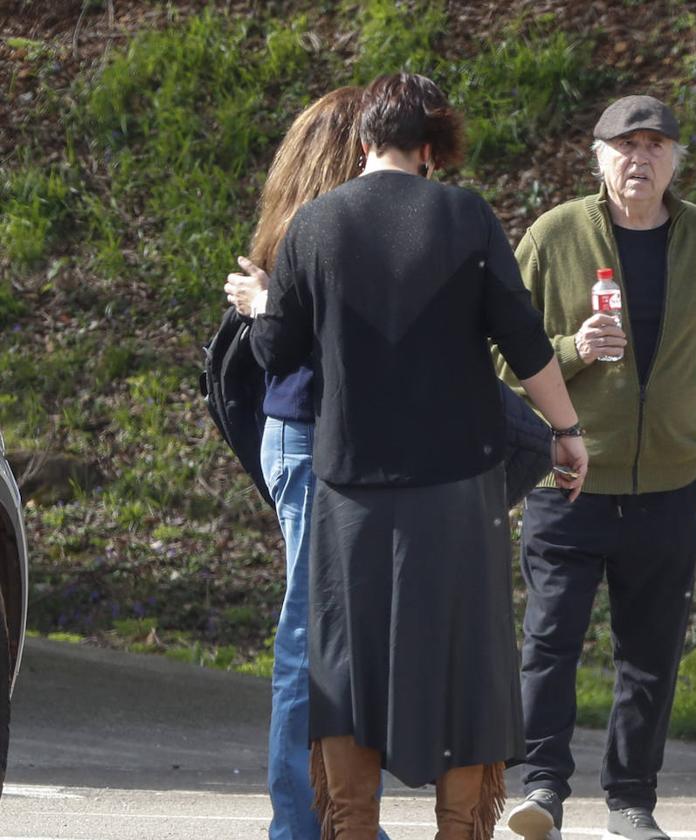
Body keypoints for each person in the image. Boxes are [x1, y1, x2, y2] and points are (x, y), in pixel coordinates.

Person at [249, 72, 588, 840]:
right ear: (431, 150)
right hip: (458, 484)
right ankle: (459, 828)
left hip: (348, 485)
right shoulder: (465, 216)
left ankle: (352, 828)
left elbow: (278, 354)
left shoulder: (313, 224)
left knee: (344, 664)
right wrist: (566, 430)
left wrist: (263, 303)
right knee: (467, 660)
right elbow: (523, 339)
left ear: (364, 139)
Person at [497, 95, 696, 840]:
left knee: (650, 655)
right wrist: (576, 347)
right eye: (625, 147)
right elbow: (497, 349)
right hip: (570, 482)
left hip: (668, 491)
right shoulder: (556, 235)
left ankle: (631, 802)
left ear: (676, 159)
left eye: (654, 146)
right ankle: (543, 790)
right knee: (549, 644)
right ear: (598, 157)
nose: (639, 160)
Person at [222, 86, 391, 840]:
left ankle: (336, 818)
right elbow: (330, 345)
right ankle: (303, 822)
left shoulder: (312, 226)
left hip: (316, 441)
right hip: (313, 442)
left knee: (335, 640)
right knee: (310, 640)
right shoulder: (321, 230)